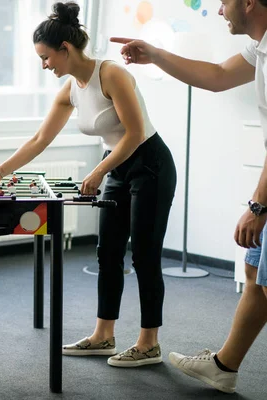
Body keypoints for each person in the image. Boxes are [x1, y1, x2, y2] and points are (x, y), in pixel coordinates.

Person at [0, 1, 176, 367]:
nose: (44, 65)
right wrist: (0, 172)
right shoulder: (71, 88)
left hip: (150, 163)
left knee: (145, 255)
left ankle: (149, 343)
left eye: (46, 57)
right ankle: (103, 335)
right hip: (116, 165)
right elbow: (39, 139)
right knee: (108, 253)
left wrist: (99, 172)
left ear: (65, 49)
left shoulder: (111, 74)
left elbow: (134, 134)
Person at [112, 0, 267, 393]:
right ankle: (224, 366)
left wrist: (258, 206)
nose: (219, 10)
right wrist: (157, 54)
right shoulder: (261, 46)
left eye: (224, 1)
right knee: (255, 271)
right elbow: (215, 75)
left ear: (249, 3)